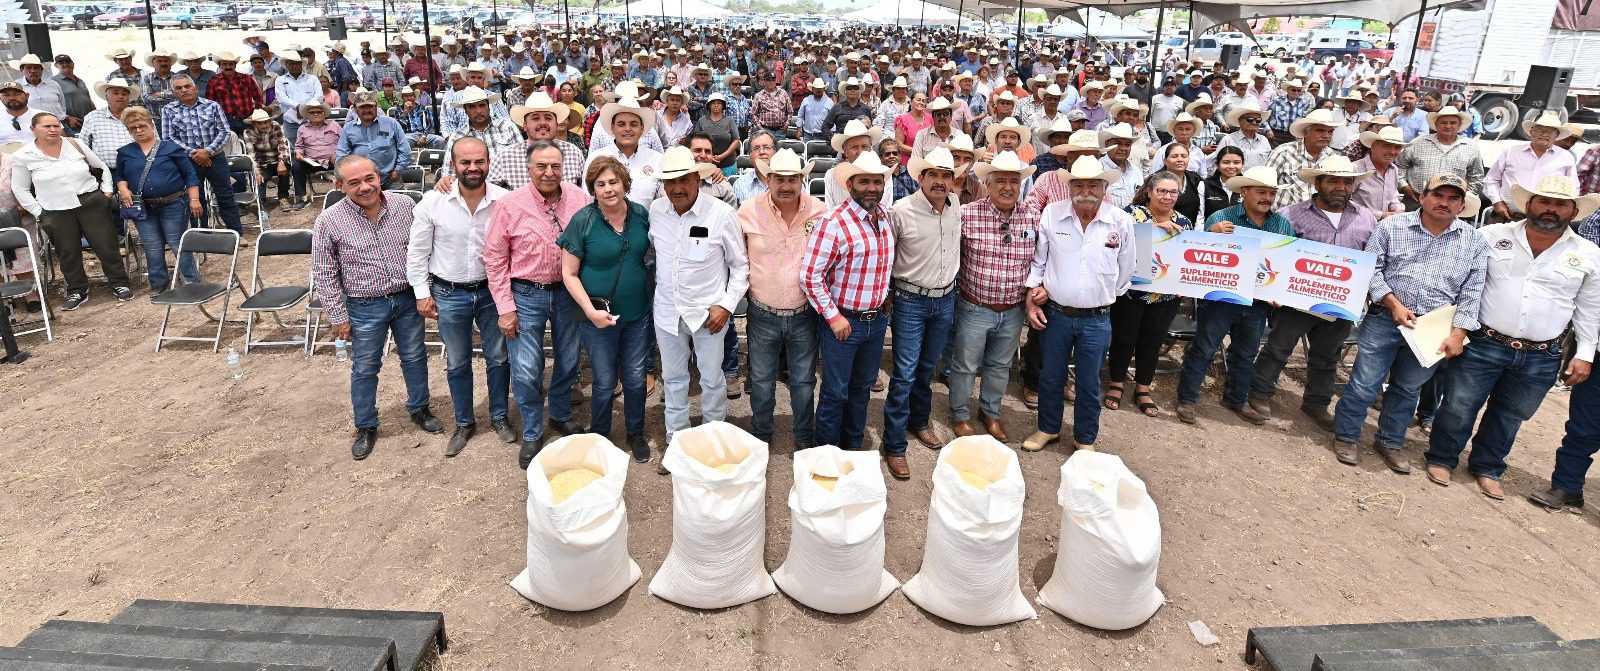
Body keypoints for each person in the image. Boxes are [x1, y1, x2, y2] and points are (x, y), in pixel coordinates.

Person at [1423, 176, 1599, 498]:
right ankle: (1442, 458)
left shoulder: (1589, 254)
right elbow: (1459, 280)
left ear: (1573, 211)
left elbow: (1589, 308)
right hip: (1484, 342)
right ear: (1528, 204)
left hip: (1541, 354)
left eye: (1560, 204)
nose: (1550, 209)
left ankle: (1487, 467)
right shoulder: (1490, 236)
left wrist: (1585, 352)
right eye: (1544, 201)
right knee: (1459, 406)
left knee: (1510, 416)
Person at [1330, 173, 1488, 472]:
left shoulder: (1474, 241)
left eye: (1453, 198)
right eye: (1438, 195)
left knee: (1407, 389)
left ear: (1462, 205)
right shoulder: (1392, 225)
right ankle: (1347, 435)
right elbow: (1371, 269)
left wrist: (1459, 334)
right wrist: (1393, 303)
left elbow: (1473, 291)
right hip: (1385, 318)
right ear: (1422, 197)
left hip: (1433, 327)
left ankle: (1390, 441)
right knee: (1365, 383)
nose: (1445, 202)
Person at [313, 155, 440, 460]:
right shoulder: (329, 220)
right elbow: (325, 272)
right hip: (364, 305)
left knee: (414, 357)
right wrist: (338, 317)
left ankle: (420, 408)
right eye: (354, 182)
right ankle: (366, 425)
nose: (365, 187)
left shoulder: (405, 206)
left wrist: (427, 289)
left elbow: (425, 249)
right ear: (339, 185)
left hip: (407, 298)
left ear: (379, 176)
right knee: (366, 367)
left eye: (369, 178)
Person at [1249, 157, 1380, 430]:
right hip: (1296, 301)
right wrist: (1274, 289)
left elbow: (1374, 258)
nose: (1341, 187)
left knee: (1328, 356)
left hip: (1341, 303)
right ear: (1318, 183)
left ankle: (1316, 404)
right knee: (1278, 348)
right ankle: (1259, 393)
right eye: (1333, 180)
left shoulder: (1367, 218)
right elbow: (1274, 254)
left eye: (1347, 181)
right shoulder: (1290, 214)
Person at [406, 138, 516, 458]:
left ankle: (499, 417)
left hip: (492, 292)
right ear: (452, 165)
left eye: (479, 161)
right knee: (457, 362)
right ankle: (464, 422)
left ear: (489, 162)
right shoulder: (432, 203)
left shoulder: (505, 201)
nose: (472, 168)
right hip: (449, 293)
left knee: (498, 358)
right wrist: (421, 293)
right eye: (465, 162)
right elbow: (417, 253)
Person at [1020, 155, 1136, 453]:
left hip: (1097, 319)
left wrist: (1100, 295)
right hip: (1056, 314)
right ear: (1070, 187)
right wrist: (1035, 291)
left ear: (1103, 188)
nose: (1087, 190)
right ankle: (1048, 429)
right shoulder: (1052, 215)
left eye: (1093, 185)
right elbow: (1039, 260)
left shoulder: (1120, 220)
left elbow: (1126, 269)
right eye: (1080, 184)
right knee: (1051, 376)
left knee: (1088, 382)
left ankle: (1085, 438)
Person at [1174, 166, 1297, 426]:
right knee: (1205, 348)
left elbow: (1287, 262)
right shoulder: (1221, 217)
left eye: (1271, 193)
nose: (1267, 198)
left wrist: (1278, 292)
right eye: (1261, 192)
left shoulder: (1282, 224)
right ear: (1245, 192)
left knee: (1245, 351)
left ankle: (1237, 399)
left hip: (1258, 301)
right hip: (1221, 297)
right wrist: (1212, 233)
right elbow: (1200, 255)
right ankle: (1187, 399)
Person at [650, 145, 748, 459]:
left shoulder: (721, 213)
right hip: (667, 312)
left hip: (709, 314)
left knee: (712, 379)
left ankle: (712, 444)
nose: (677, 188)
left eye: (684, 180)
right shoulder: (655, 211)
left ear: (696, 178)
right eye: (670, 182)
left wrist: (726, 306)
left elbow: (740, 265)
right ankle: (676, 444)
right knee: (674, 380)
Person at [560, 155, 654, 463]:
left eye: (613, 182)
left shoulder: (640, 215)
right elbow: (569, 273)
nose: (608, 189)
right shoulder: (583, 220)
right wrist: (589, 311)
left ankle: (635, 432)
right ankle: (600, 435)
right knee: (603, 380)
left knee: (637, 377)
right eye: (600, 184)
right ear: (593, 189)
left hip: (637, 313)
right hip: (597, 317)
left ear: (625, 184)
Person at [877, 146, 963, 477]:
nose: (940, 182)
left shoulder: (955, 205)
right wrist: (886, 294)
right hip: (910, 300)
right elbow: (887, 255)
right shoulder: (901, 211)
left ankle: (919, 421)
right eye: (934, 175)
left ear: (952, 181)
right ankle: (895, 444)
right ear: (920, 178)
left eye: (946, 176)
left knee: (927, 368)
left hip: (944, 299)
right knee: (904, 373)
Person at [802, 150, 895, 454]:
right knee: (835, 392)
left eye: (877, 181)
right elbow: (810, 276)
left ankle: (852, 448)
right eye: (865, 181)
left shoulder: (884, 217)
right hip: (844, 321)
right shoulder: (834, 222)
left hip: (876, 320)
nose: (872, 187)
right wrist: (833, 316)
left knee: (861, 390)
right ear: (851, 184)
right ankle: (826, 454)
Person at [738, 148, 828, 448]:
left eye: (793, 179)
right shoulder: (747, 211)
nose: (786, 186)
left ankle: (804, 437)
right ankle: (762, 435)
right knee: (762, 381)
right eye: (780, 179)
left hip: (805, 313)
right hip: (762, 312)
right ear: (768, 178)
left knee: (803, 381)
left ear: (803, 179)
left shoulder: (819, 211)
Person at [950, 151, 1038, 440]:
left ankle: (990, 412)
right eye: (1000, 180)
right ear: (987, 184)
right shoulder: (967, 214)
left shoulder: (1032, 217)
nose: (1007, 187)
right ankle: (960, 413)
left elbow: (1043, 259)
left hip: (1013, 309)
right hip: (974, 306)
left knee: (1000, 366)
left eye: (1014, 181)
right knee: (965, 366)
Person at [10, 112, 131, 309]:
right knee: (68, 253)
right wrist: (39, 211)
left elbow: (101, 167)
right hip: (55, 209)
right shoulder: (23, 156)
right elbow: (20, 188)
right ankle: (77, 290)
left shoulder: (74, 144)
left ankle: (120, 284)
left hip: (90, 202)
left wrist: (107, 192)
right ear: (33, 129)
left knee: (106, 246)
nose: (52, 129)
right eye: (47, 126)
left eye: (56, 126)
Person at [1106, 170, 1192, 419]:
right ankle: (1117, 383)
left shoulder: (1184, 222)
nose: (1167, 196)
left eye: (1172, 192)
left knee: (1152, 341)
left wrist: (1182, 285)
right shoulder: (1130, 214)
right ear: (1149, 192)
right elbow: (1118, 240)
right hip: (1131, 291)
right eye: (1162, 191)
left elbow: (1185, 257)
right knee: (1124, 339)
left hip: (1165, 295)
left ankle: (1143, 388)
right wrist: (1154, 227)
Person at [115, 105, 200, 296]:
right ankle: (158, 283)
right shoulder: (125, 152)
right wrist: (123, 188)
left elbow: (190, 175)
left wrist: (194, 199)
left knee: (177, 242)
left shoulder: (171, 148)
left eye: (141, 125)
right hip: (143, 207)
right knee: (151, 245)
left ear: (152, 124)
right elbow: (120, 175)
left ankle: (191, 281)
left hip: (173, 203)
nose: (138, 130)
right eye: (133, 128)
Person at [161, 74, 242, 233]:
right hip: (187, 161)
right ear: (174, 92)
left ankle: (236, 233)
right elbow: (168, 138)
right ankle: (203, 236)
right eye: (179, 88)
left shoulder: (213, 106)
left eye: (187, 86)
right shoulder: (168, 110)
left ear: (195, 88)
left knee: (225, 196)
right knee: (195, 198)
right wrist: (194, 153)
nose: (184, 90)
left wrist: (207, 151)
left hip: (216, 158)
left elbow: (224, 132)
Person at [1483, 111, 1576, 225]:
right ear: (1531, 132)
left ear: (1556, 136)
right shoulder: (1511, 152)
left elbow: (1572, 189)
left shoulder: (1566, 157)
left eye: (1550, 132)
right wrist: (1497, 202)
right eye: (1540, 130)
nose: (1544, 134)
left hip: (1544, 220)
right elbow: (1491, 179)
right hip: (1505, 215)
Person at [1397, 105, 1484, 211]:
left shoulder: (1470, 147)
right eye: (1443, 122)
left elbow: (1477, 177)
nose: (1448, 126)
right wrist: (1404, 186)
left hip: (1449, 206)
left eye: (1453, 123)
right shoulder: (1418, 143)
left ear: (1459, 125)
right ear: (1436, 124)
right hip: (1415, 200)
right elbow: (1400, 165)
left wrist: (1463, 197)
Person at [587, 96, 662, 204]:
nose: (627, 129)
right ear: (612, 128)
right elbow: (588, 199)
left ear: (642, 128)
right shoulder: (596, 158)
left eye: (633, 124)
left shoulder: (656, 159)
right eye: (621, 124)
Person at [336, 90, 412, 188]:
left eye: (370, 106)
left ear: (376, 107)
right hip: (360, 182)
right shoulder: (348, 128)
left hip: (390, 179)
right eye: (362, 107)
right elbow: (342, 155)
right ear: (355, 109)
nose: (367, 110)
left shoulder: (391, 123)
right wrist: (342, 176)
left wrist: (398, 170)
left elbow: (405, 150)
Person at [1265, 108, 1339, 209]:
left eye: (1330, 132)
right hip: (1283, 218)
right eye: (1320, 130)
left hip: (1318, 218)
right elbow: (1264, 185)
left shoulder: (1333, 157)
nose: (1326, 135)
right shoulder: (1284, 152)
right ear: (1306, 132)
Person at [823, 119, 888, 208]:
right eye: (854, 147)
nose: (860, 151)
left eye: (864, 146)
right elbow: (829, 209)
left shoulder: (884, 172)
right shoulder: (831, 175)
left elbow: (884, 209)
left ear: (871, 148)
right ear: (845, 151)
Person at [289, 100, 340, 210]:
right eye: (312, 112)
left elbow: (345, 143)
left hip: (332, 160)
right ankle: (303, 199)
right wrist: (299, 154)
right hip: (311, 161)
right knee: (296, 166)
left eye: (318, 112)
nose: (315, 114)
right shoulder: (302, 128)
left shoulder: (334, 125)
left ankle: (345, 194)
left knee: (345, 163)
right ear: (307, 115)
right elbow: (299, 146)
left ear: (323, 113)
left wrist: (337, 154)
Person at [79, 78, 138, 171]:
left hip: (137, 170)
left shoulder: (139, 116)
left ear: (128, 98)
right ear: (107, 97)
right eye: (116, 93)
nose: (120, 96)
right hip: (105, 173)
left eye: (124, 94)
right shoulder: (93, 117)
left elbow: (154, 143)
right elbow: (82, 148)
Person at [1352, 125, 1409, 218]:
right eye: (1386, 146)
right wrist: (1380, 215)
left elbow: (1392, 197)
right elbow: (1347, 202)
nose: (1392, 152)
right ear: (1373, 147)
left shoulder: (1393, 169)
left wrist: (1398, 210)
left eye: (1397, 148)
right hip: (1358, 223)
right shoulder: (1356, 169)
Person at [274, 52, 321, 145]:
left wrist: (304, 109)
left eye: (297, 63)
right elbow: (282, 98)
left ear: (301, 65)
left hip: (311, 119)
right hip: (290, 121)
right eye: (291, 63)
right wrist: (298, 107)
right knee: (293, 148)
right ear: (286, 65)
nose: (294, 66)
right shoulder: (280, 80)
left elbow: (319, 97)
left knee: (314, 146)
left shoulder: (312, 79)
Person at [1215, 100, 1271, 172]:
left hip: (1259, 181)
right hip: (1235, 181)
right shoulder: (1228, 140)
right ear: (1240, 121)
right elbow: (1216, 164)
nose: (1254, 122)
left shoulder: (1264, 141)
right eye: (1250, 119)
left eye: (1258, 120)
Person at [693, 93, 740, 175]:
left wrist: (722, 156)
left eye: (719, 103)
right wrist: (709, 157)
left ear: (723, 106)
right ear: (709, 106)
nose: (716, 105)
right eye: (713, 103)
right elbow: (696, 141)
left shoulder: (730, 121)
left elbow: (736, 140)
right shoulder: (701, 121)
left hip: (728, 164)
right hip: (706, 164)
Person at [1200, 145, 1245, 222]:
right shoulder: (1205, 185)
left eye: (1236, 162)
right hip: (1211, 232)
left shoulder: (1248, 186)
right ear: (1217, 165)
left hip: (1240, 232)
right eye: (1226, 162)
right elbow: (1200, 217)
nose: (1231, 166)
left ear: (1242, 164)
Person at [51, 54, 94, 134]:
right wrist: (68, 118)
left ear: (73, 64)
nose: (65, 64)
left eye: (68, 62)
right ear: (56, 66)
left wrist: (96, 113)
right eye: (61, 63)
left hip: (90, 123)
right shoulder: (53, 82)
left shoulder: (80, 80)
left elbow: (87, 99)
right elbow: (51, 104)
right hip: (72, 125)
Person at [15, 55, 65, 121]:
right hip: (30, 126)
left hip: (57, 124)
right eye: (29, 68)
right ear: (22, 70)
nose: (33, 71)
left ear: (41, 70)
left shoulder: (53, 84)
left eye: (36, 68)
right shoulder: (16, 87)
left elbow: (62, 104)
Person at [733, 130, 776, 203]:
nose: (762, 152)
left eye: (766, 147)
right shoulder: (739, 185)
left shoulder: (791, 183)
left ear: (775, 152)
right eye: (756, 148)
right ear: (750, 156)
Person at [0, 80, 44, 144]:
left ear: (27, 96)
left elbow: (61, 140)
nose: (12, 98)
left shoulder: (43, 116)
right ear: (0, 98)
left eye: (17, 94)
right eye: (6, 95)